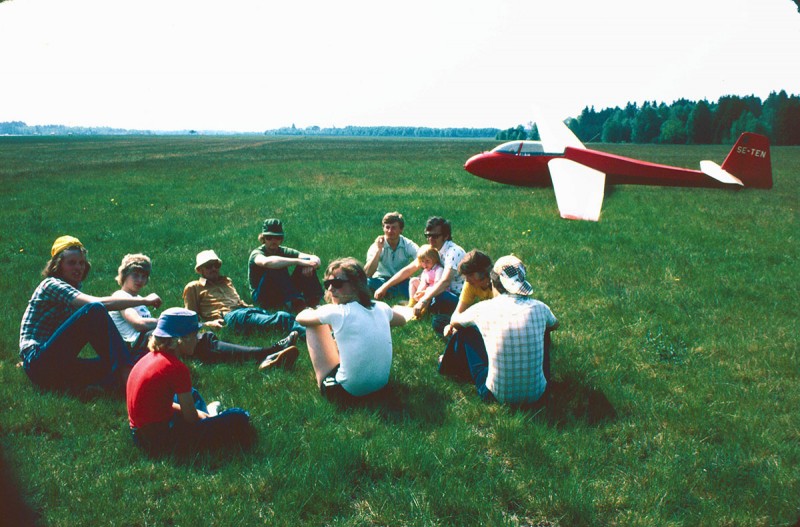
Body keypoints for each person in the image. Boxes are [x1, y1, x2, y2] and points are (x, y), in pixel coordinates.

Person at [18, 236, 162, 392]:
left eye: (81, 263)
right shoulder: (51, 285)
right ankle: (127, 377)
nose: (78, 267)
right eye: (71, 263)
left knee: (105, 364)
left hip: (55, 363)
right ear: (58, 266)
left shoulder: (73, 290)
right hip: (40, 363)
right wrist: (145, 301)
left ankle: (108, 380)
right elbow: (100, 305)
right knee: (94, 310)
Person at [113, 253, 298, 370]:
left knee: (204, 341)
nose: (140, 280)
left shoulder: (138, 300)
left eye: (144, 276)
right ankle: (267, 353)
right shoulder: (119, 296)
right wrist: (170, 323)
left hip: (154, 340)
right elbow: (138, 324)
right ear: (124, 276)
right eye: (135, 275)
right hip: (140, 346)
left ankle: (265, 355)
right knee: (204, 342)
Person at [127, 308, 254, 457]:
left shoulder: (149, 358)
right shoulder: (177, 368)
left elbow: (160, 403)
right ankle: (212, 415)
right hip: (160, 441)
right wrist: (200, 416)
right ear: (179, 340)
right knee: (239, 416)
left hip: (139, 434)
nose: (199, 338)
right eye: (195, 335)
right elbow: (191, 419)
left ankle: (208, 414)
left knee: (190, 393)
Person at [443, 255, 558, 404]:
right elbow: (555, 324)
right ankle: (533, 378)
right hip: (539, 395)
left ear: (493, 281)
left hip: (496, 396)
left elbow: (456, 322)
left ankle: (451, 366)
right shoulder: (541, 307)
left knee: (467, 332)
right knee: (545, 331)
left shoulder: (482, 308)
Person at [295, 258, 407, 402]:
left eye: (337, 283)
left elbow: (300, 318)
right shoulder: (382, 307)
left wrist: (312, 310)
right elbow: (402, 320)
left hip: (348, 393)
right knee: (339, 329)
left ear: (356, 285)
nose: (330, 289)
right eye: (328, 284)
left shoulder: (337, 312)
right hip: (381, 386)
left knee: (313, 324)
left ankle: (322, 380)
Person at [183, 249, 304, 344]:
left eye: (216, 265)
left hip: (245, 311)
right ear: (200, 270)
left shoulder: (226, 281)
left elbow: (238, 301)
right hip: (229, 317)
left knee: (285, 318)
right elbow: (189, 321)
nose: (214, 269)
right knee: (281, 318)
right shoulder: (194, 287)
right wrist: (208, 324)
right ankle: (310, 336)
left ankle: (310, 333)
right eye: (209, 266)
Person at [374, 216, 465, 334]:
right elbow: (409, 270)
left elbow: (445, 282)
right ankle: (417, 306)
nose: (430, 239)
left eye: (435, 236)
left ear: (446, 236)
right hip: (435, 289)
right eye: (428, 235)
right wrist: (384, 286)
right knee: (412, 282)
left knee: (438, 297)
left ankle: (424, 309)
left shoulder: (454, 252)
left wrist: (424, 300)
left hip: (453, 295)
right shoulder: (433, 249)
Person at [248, 218, 324, 312]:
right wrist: (298, 261)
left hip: (280, 290)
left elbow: (315, 259)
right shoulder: (257, 253)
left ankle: (314, 301)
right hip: (262, 295)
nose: (273, 241)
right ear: (263, 239)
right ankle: (296, 303)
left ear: (281, 239)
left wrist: (310, 265)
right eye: (269, 237)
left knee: (305, 264)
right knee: (275, 266)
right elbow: (266, 262)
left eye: (277, 238)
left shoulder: (283, 250)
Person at [364, 211, 419, 299]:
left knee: (415, 285)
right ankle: (393, 292)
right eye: (387, 227)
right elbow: (367, 273)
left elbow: (422, 258)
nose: (390, 231)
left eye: (394, 228)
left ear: (401, 230)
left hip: (401, 280)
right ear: (383, 228)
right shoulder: (377, 245)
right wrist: (378, 250)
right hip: (381, 279)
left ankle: (389, 293)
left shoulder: (407, 244)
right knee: (366, 283)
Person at [407, 244, 443, 310]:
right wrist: (418, 292)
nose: (424, 264)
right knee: (413, 280)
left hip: (436, 292)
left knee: (429, 290)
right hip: (427, 289)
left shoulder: (438, 269)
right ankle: (412, 301)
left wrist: (424, 292)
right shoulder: (425, 271)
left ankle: (423, 310)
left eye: (427, 261)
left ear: (435, 259)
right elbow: (423, 283)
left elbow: (437, 285)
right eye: (422, 261)